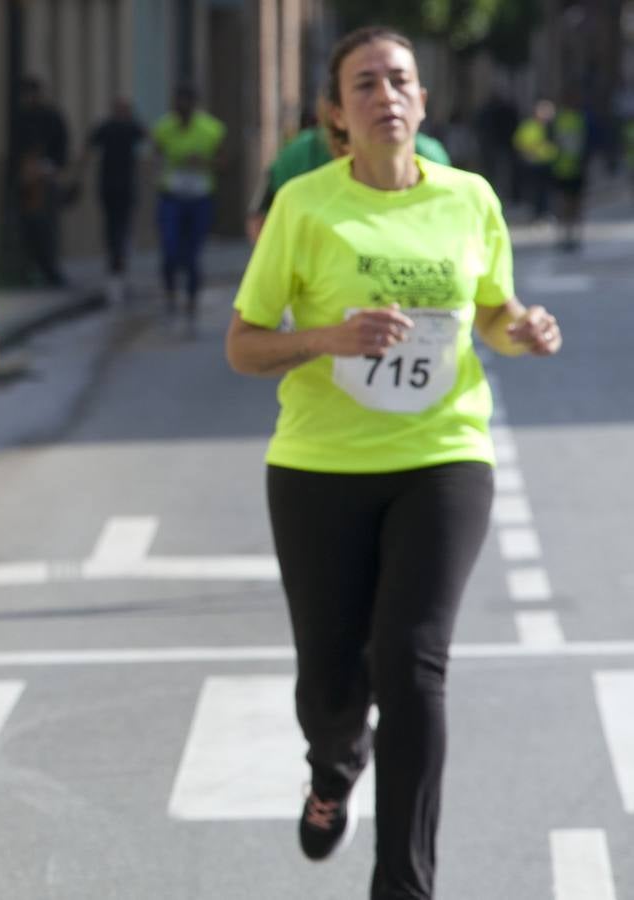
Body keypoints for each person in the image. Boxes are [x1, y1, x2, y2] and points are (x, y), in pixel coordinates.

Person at [225, 27, 562, 900]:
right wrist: (326, 338)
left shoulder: (469, 198)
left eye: (400, 80)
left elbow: (490, 310)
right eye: (365, 84)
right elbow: (244, 345)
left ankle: (405, 885)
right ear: (337, 113)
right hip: (318, 466)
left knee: (413, 665)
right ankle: (334, 765)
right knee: (330, 676)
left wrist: (520, 330)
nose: (386, 96)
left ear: (423, 100)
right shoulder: (304, 206)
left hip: (441, 454)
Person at [246, 96, 451, 242]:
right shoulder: (300, 152)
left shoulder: (426, 153)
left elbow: (449, 220)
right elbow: (260, 219)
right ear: (336, 114)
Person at [151, 83, 226, 337]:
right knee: (170, 249)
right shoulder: (163, 128)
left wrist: (204, 162)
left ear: (194, 105)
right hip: (172, 194)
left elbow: (224, 161)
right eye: (177, 104)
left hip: (199, 195)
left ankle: (191, 307)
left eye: (187, 104)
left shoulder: (211, 129)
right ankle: (170, 298)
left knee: (192, 254)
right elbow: (156, 155)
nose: (182, 109)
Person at [78, 97, 146, 305]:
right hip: (113, 187)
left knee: (118, 228)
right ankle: (116, 265)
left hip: (121, 187)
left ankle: (118, 265)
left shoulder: (120, 127)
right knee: (116, 228)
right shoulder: (111, 128)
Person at [10, 76, 70, 286]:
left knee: (48, 227)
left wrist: (49, 167)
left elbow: (61, 148)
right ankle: (30, 269)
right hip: (27, 182)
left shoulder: (50, 118)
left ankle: (48, 268)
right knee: (28, 227)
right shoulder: (23, 118)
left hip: (46, 178)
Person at [551, 92, 589, 252]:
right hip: (565, 168)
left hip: (570, 167)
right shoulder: (569, 120)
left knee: (570, 203)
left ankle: (570, 235)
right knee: (569, 203)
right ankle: (567, 235)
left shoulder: (575, 119)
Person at [513, 99, 558, 222]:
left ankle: (546, 212)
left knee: (547, 190)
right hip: (533, 163)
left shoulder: (552, 127)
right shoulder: (529, 126)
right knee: (536, 190)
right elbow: (519, 142)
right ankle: (537, 213)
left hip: (548, 162)